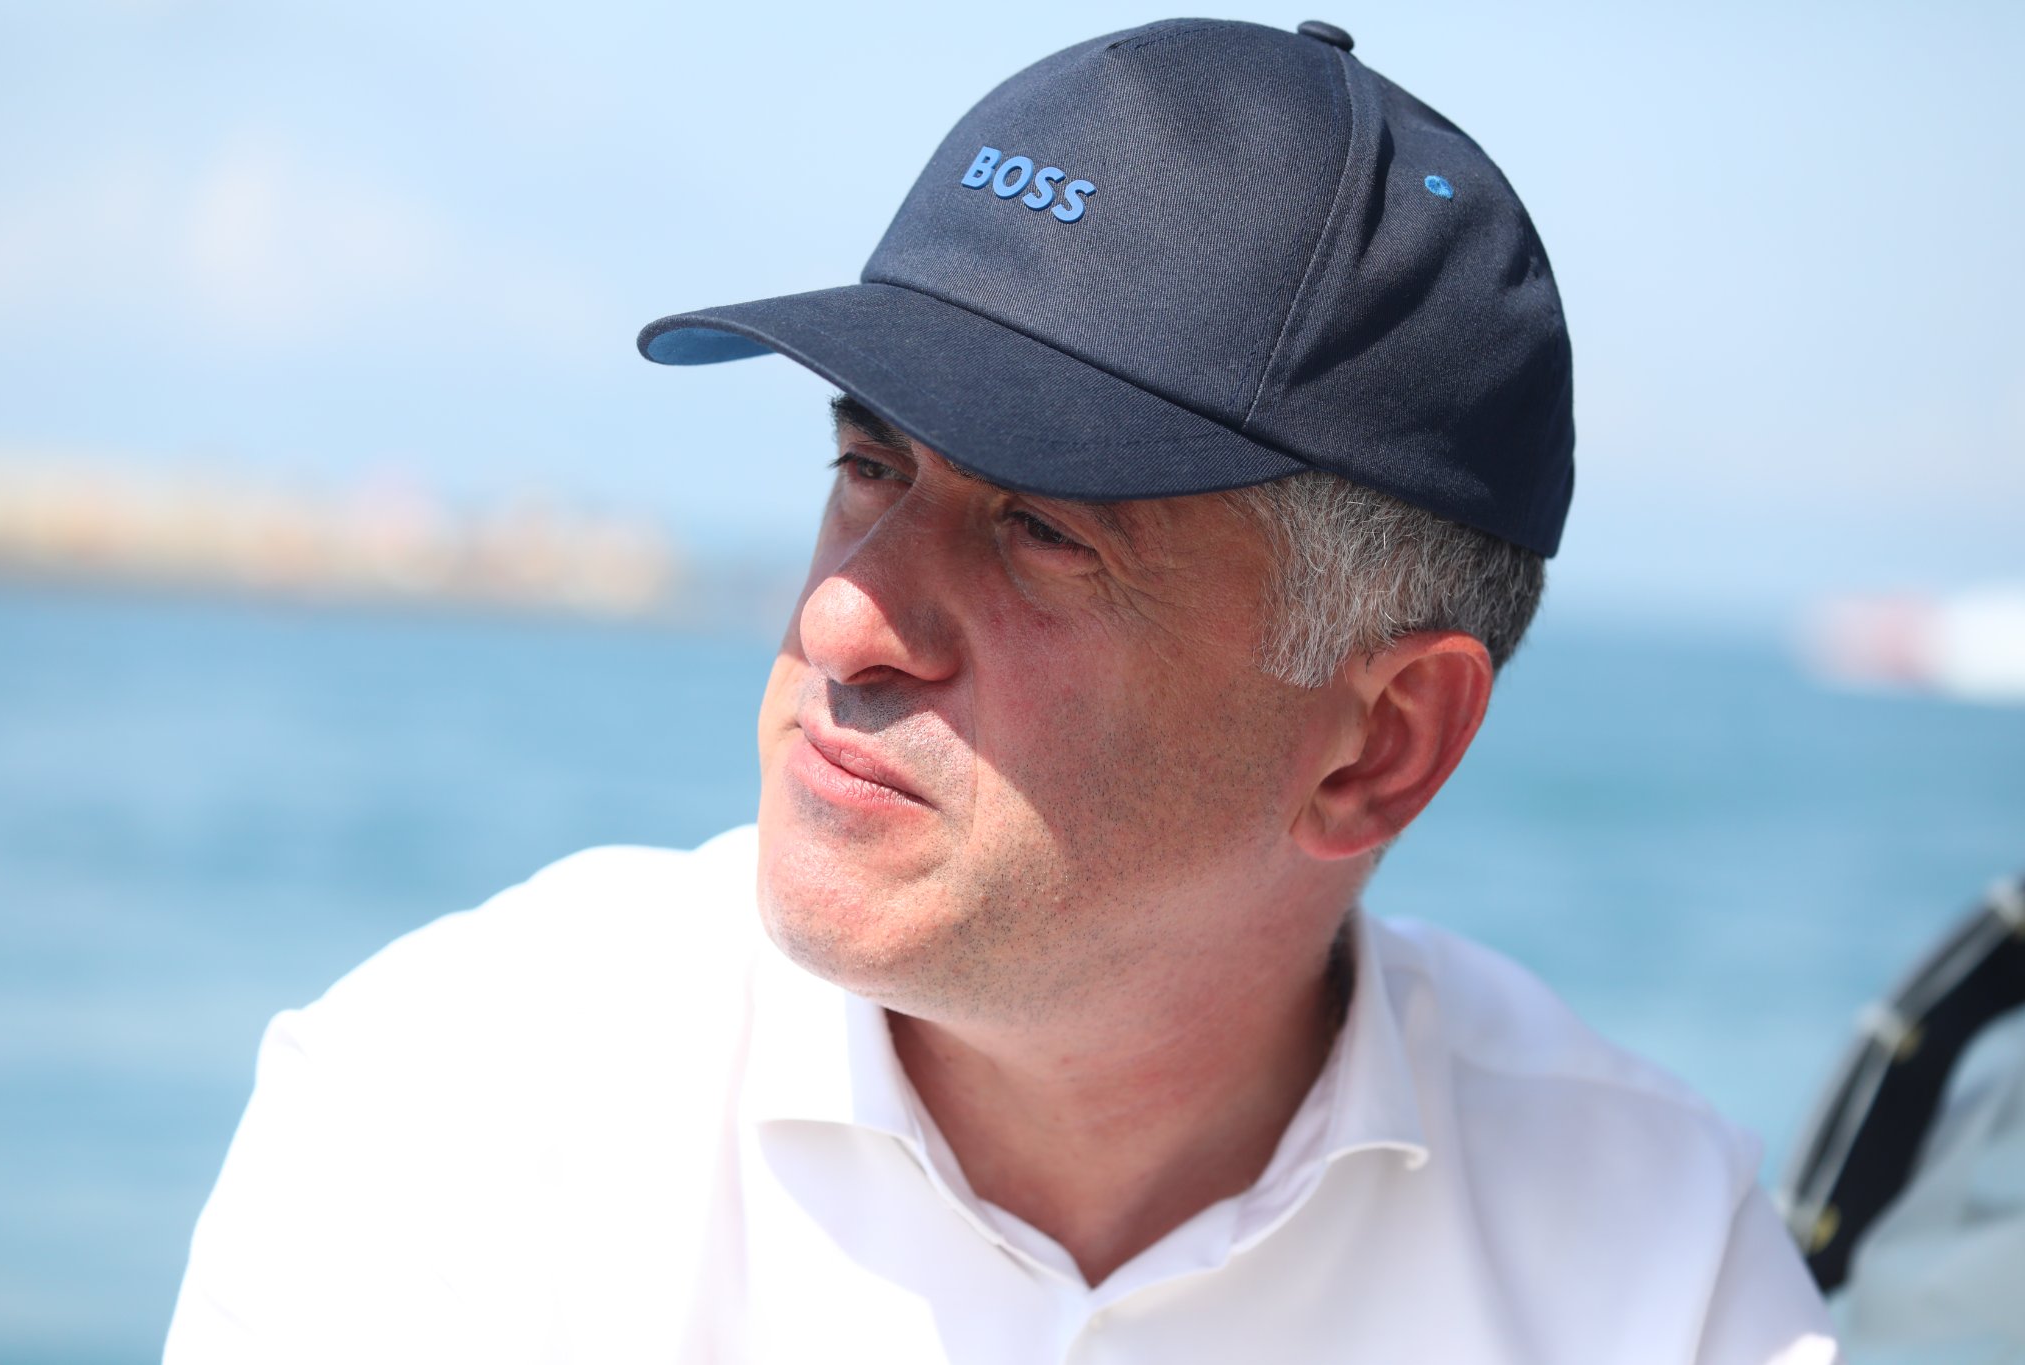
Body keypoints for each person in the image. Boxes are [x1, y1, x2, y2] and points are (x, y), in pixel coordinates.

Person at [167, 18, 1839, 1363]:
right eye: (866, 464)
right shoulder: (441, 1112)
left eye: (1042, 532)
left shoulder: (1659, 1276)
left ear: (1377, 743)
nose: (842, 616)